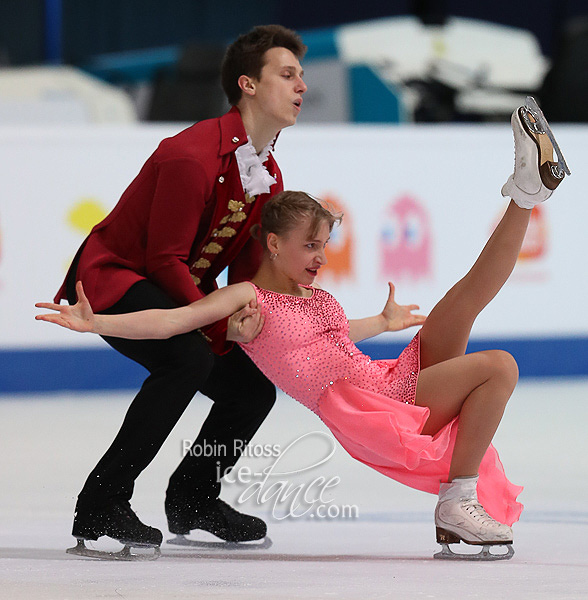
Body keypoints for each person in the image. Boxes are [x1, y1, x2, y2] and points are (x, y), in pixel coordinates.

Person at [38, 98, 569, 559]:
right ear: (273, 245)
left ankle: (524, 192)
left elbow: (330, 342)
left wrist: (381, 323)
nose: (320, 258)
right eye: (310, 246)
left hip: (382, 378)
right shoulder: (247, 301)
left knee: (466, 296)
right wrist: (97, 321)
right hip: (371, 409)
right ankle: (459, 498)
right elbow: (172, 320)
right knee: (500, 365)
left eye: (324, 246)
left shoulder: (312, 297)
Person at [51, 24, 308, 554]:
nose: (302, 85)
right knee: (187, 361)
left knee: (252, 387)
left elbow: (248, 271)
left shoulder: (268, 176)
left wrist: (256, 323)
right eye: (287, 74)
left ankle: (193, 497)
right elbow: (162, 258)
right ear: (248, 85)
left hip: (175, 291)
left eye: (301, 76)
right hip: (115, 278)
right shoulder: (191, 156)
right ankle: (102, 500)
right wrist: (215, 322)